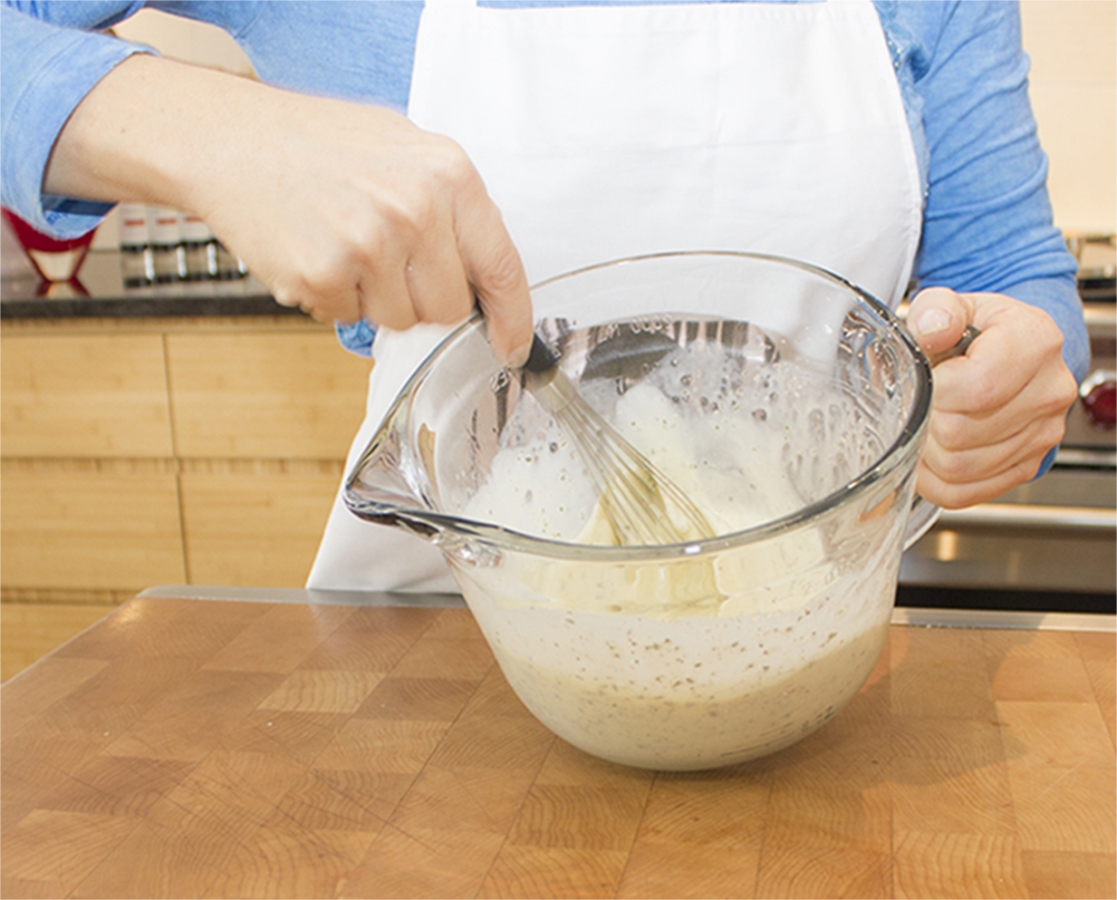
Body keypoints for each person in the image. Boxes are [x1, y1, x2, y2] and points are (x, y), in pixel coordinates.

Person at [2, 0, 1086, 593]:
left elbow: (1016, 292)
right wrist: (217, 131)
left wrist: (1013, 378)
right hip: (433, 669)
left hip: (811, 636)